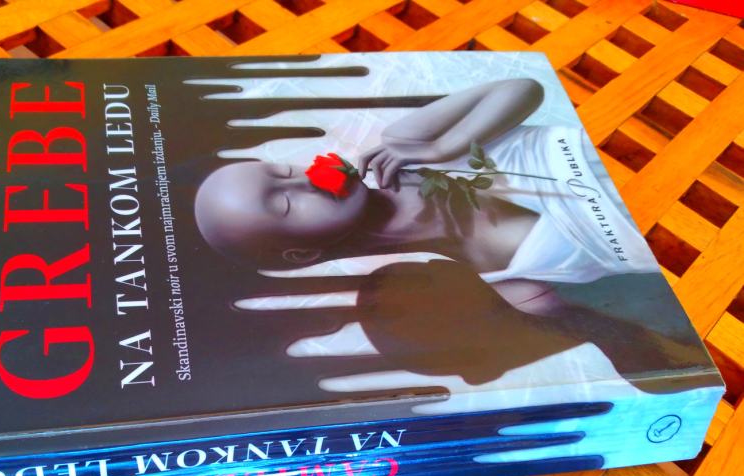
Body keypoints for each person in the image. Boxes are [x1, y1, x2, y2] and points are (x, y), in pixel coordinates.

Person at [193, 79, 709, 393]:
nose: (305, 181)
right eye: (284, 203)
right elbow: (644, 327)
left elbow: (522, 88)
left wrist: (448, 146)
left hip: (653, 148)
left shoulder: (406, 141)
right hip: (685, 228)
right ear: (302, 254)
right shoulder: (517, 286)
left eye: (284, 171)